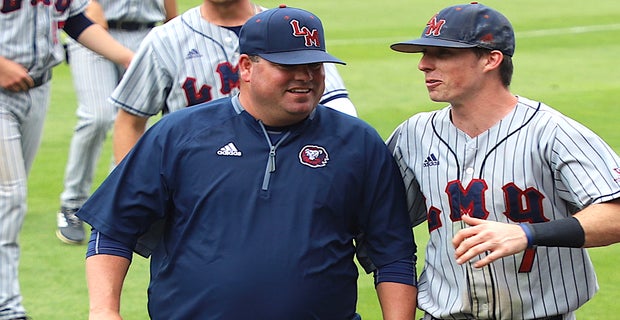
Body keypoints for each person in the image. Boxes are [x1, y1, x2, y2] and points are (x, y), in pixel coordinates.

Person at [77, 6, 417, 319]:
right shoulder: (179, 135)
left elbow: (393, 255)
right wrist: (103, 310)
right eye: (288, 66)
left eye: (314, 66)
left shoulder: (358, 144)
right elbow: (113, 229)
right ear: (246, 68)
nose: (305, 77)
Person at [387, 2, 620, 319]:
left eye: (442, 54)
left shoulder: (552, 132)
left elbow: (615, 214)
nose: (424, 65)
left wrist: (527, 235)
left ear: (490, 59)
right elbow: (380, 221)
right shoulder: (414, 135)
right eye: (425, 53)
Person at [0, 1, 134, 319]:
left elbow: (74, 21)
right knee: (9, 198)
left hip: (37, 89)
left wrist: (128, 58)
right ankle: (8, 306)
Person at [110, 0, 358, 165]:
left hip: (286, 175)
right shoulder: (164, 40)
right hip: (194, 182)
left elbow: (339, 108)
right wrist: (130, 194)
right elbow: (130, 122)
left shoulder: (290, 29)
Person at [56, 0, 178, 245]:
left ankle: (117, 203)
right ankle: (73, 204)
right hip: (92, 32)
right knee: (96, 117)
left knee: (137, 120)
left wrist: (174, 26)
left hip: (147, 33)